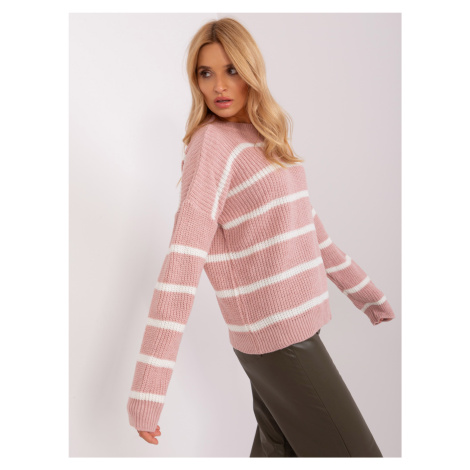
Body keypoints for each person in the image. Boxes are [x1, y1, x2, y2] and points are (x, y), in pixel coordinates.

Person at [127, 17, 396, 457]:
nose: (218, 85)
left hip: (294, 333)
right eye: (206, 73)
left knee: (279, 454)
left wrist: (366, 295)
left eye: (231, 70)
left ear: (251, 70)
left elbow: (308, 228)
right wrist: (148, 392)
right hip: (279, 341)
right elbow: (182, 262)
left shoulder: (264, 137)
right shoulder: (211, 145)